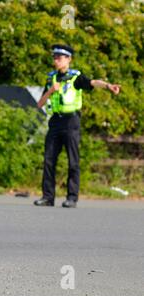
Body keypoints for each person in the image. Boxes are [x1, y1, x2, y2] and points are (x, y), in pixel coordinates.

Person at [34, 44, 121, 208]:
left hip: (71, 122)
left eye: (59, 58)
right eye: (54, 57)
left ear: (68, 59)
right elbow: (40, 104)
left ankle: (72, 197)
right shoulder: (51, 78)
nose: (56, 60)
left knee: (73, 161)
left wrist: (109, 86)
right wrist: (51, 90)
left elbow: (93, 82)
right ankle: (48, 197)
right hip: (55, 122)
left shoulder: (75, 77)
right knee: (48, 160)